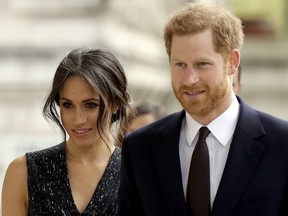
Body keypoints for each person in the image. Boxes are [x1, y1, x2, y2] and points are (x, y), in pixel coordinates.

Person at [118, 3, 288, 216]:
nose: (189, 79)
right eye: (180, 65)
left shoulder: (282, 145)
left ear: (232, 62)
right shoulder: (139, 148)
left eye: (202, 64)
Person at [1, 48, 134, 215]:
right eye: (68, 105)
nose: (78, 120)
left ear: (115, 103)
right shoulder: (23, 171)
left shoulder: (136, 174)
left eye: (90, 105)